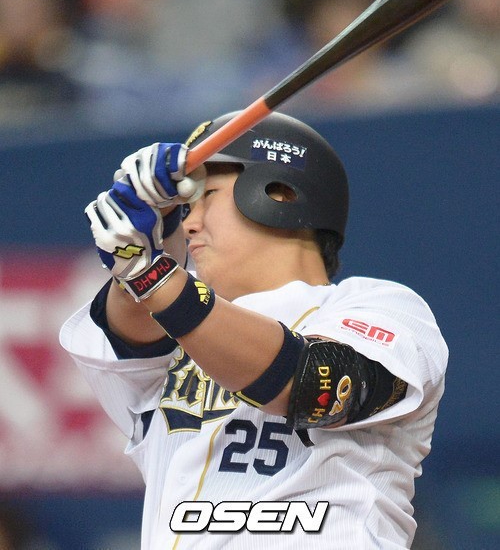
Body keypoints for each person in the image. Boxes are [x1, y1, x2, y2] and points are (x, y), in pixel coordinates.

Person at [60, 112, 448, 549]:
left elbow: (321, 387)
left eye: (206, 197)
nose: (188, 225)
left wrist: (152, 275)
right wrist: (144, 247)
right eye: (182, 211)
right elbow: (131, 330)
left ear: (281, 192)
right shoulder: (176, 332)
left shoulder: (378, 305)